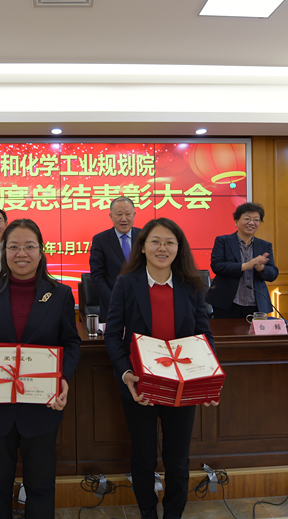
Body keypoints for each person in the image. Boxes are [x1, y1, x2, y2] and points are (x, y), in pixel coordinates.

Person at [0, 218, 81, 519]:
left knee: (41, 487)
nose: (21, 253)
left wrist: (63, 379)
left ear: (41, 251)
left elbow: (70, 343)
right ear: (4, 251)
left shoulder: (60, 293)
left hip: (41, 406)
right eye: (13, 247)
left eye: (29, 246)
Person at [104, 218, 216, 519]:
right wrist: (126, 374)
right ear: (142, 247)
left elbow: (204, 335)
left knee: (177, 459)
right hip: (139, 386)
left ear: (179, 248)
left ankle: (173, 514)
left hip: (182, 386)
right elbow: (112, 335)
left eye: (169, 242)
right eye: (155, 241)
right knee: (143, 457)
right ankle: (147, 512)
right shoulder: (126, 283)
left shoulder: (192, 285)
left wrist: (208, 378)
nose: (162, 248)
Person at [205, 202, 279, 319]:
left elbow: (273, 273)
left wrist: (262, 269)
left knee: (254, 331)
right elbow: (217, 266)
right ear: (236, 221)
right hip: (227, 303)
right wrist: (246, 266)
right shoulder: (223, 241)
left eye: (256, 220)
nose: (251, 223)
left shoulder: (265, 245)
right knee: (225, 331)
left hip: (256, 304)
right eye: (247, 219)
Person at [89, 196, 141, 322]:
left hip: (141, 306)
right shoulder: (100, 240)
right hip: (112, 308)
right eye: (119, 214)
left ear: (134, 215)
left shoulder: (144, 237)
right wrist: (114, 302)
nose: (124, 219)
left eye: (127, 214)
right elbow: (97, 276)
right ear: (111, 216)